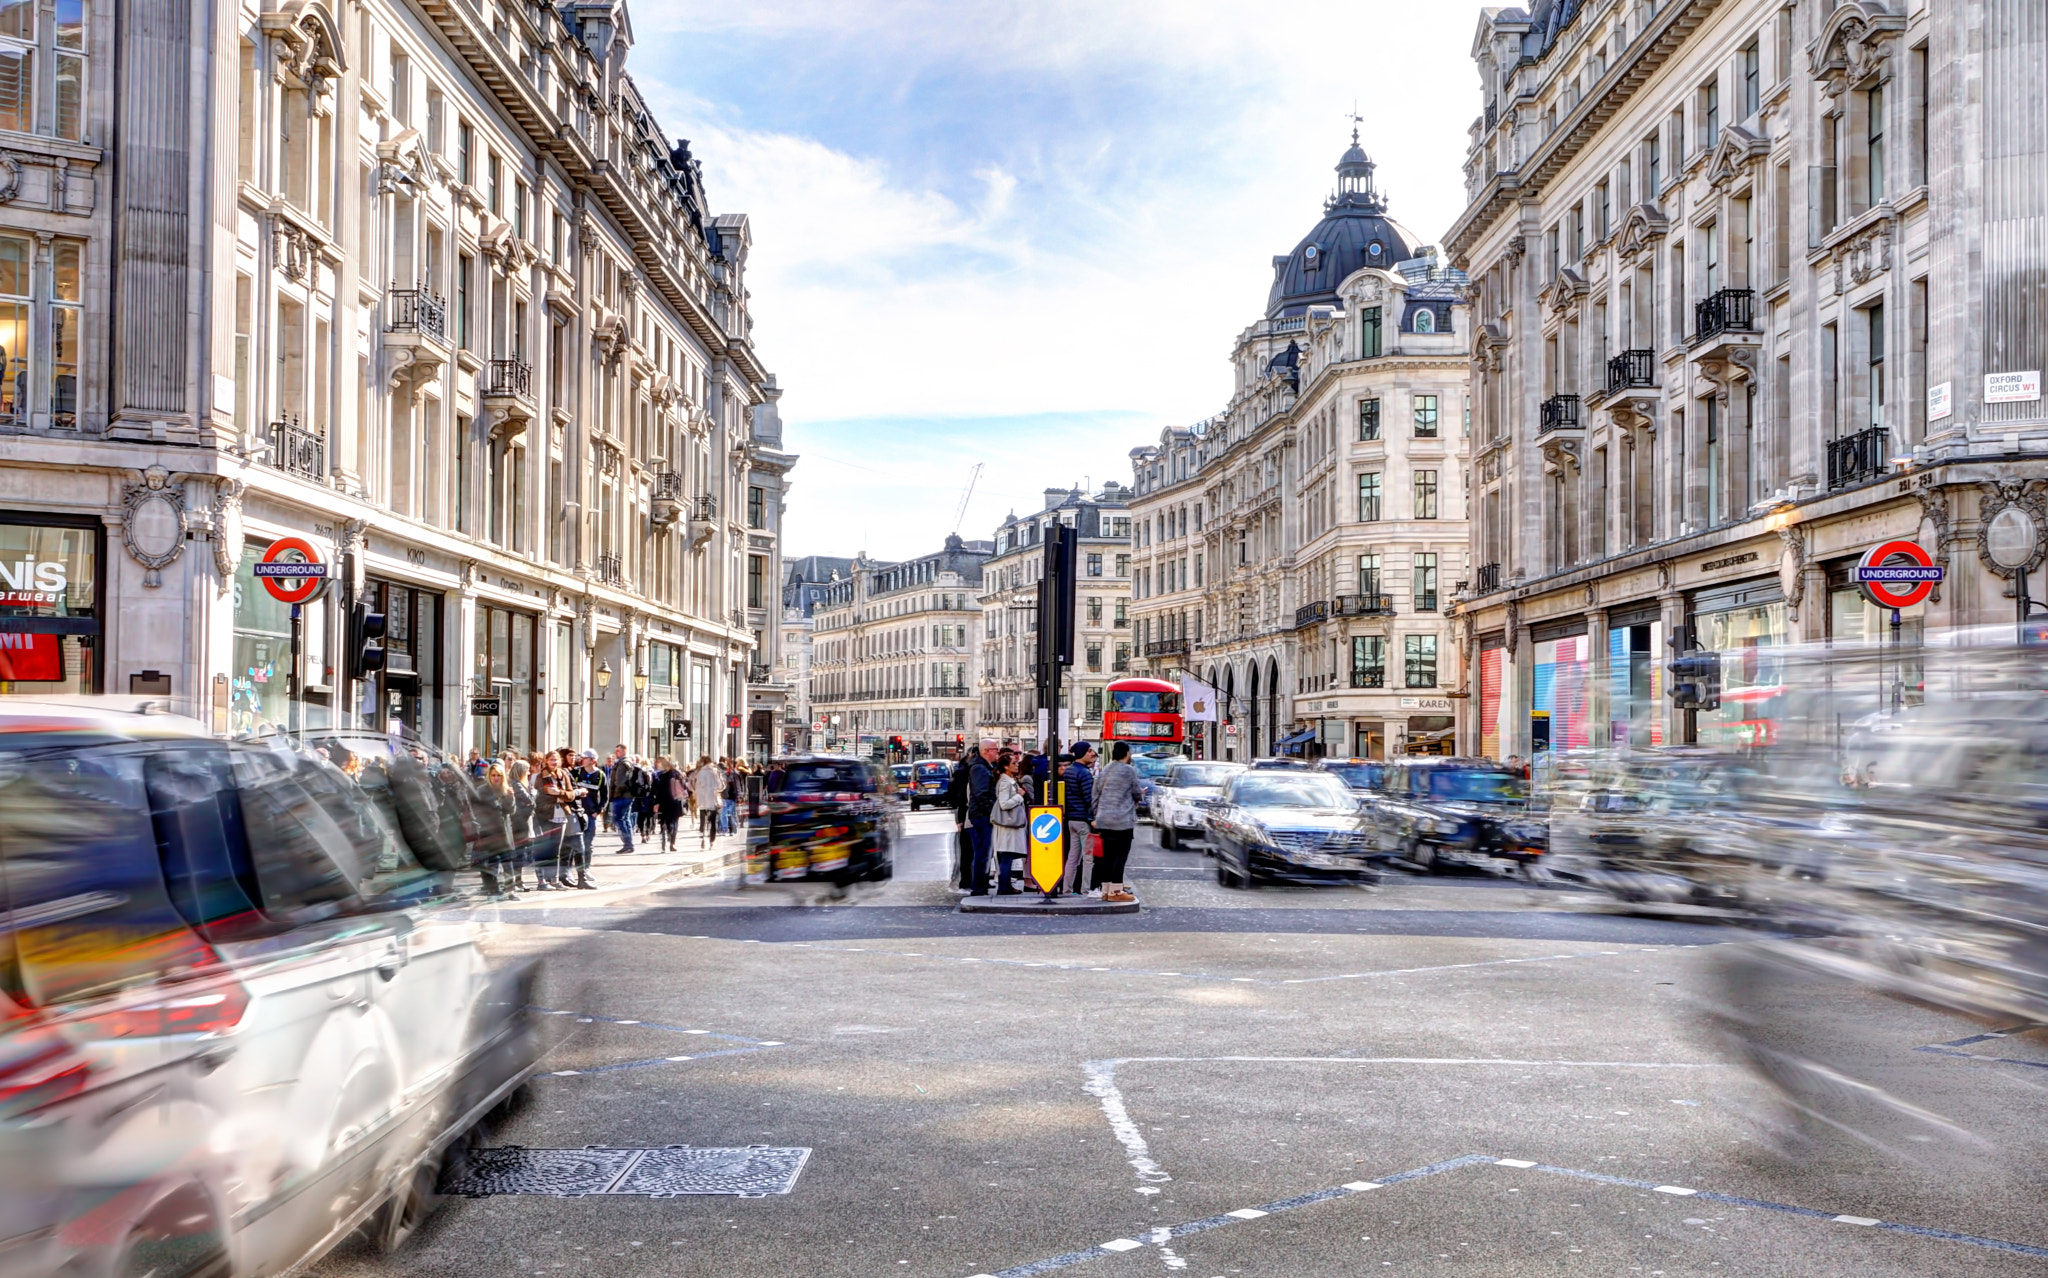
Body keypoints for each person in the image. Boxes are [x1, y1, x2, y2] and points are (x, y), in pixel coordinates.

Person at [1090, 742, 1139, 903]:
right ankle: (1116, 891)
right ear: (1126, 753)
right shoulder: (1129, 770)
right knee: (1120, 856)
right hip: (1122, 820)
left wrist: (1097, 815)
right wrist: (1140, 797)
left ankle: (1106, 890)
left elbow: (1095, 794)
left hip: (1104, 819)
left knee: (1107, 856)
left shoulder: (1105, 769)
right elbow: (1136, 792)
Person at [965, 737, 1001, 895]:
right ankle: (978, 887)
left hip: (981, 814)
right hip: (981, 816)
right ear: (986, 751)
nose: (997, 752)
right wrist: (990, 812)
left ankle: (981, 885)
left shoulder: (984, 766)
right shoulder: (979, 768)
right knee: (983, 852)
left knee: (985, 852)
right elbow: (981, 794)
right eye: (995, 749)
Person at [1061, 740, 1098, 895]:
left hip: (1071, 820)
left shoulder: (1069, 771)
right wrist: (1093, 819)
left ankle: (1066, 888)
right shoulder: (1084, 774)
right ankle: (1085, 889)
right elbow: (1090, 799)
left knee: (1072, 857)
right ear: (1082, 753)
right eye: (1089, 751)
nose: (1092, 753)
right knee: (1088, 858)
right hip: (1084, 821)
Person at [990, 752, 1028, 895]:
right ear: (1006, 767)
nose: (1017, 765)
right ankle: (1004, 886)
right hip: (1008, 825)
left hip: (1009, 825)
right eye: (1014, 763)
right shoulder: (1006, 782)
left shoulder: (1008, 780)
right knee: (1006, 855)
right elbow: (1004, 804)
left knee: (1007, 855)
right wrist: (1019, 796)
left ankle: (1005, 885)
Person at [569, 751, 607, 887]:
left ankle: (586, 869)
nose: (581, 760)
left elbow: (604, 795)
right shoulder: (576, 773)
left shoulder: (600, 775)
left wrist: (598, 811)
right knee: (575, 843)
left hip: (590, 814)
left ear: (592, 760)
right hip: (577, 812)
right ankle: (571, 871)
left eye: (584, 758)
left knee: (588, 843)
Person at [945, 749, 975, 891]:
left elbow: (952, 796)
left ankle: (965, 879)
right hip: (965, 814)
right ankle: (965, 880)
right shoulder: (964, 773)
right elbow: (959, 797)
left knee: (966, 850)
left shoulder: (962, 771)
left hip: (963, 814)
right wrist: (960, 818)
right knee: (967, 850)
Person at [606, 745, 644, 853]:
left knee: (618, 819)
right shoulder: (626, 762)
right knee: (625, 819)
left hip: (622, 796)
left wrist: (615, 793)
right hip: (627, 795)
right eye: (616, 750)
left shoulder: (623, 763)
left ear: (624, 751)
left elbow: (620, 781)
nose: (616, 752)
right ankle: (629, 844)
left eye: (618, 750)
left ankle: (628, 844)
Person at [508, 758, 536, 891]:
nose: (529, 772)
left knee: (521, 854)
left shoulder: (520, 784)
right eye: (527, 769)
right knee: (519, 855)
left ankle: (518, 881)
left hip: (523, 823)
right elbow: (530, 800)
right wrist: (534, 794)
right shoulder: (517, 784)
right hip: (519, 823)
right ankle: (516, 882)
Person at [652, 755, 687, 852]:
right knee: (674, 822)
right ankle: (672, 843)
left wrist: (656, 802)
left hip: (664, 802)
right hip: (675, 800)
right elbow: (684, 786)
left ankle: (667, 839)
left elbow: (656, 790)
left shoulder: (659, 775)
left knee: (665, 822)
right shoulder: (676, 773)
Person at [691, 753, 722, 847]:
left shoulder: (699, 772)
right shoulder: (715, 771)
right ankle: (712, 840)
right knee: (713, 821)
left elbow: (694, 786)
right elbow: (720, 785)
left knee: (702, 820)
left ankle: (703, 836)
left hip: (702, 800)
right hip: (712, 799)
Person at [721, 759, 742, 835]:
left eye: (726, 764)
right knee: (723, 814)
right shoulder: (723, 774)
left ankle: (733, 829)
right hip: (724, 796)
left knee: (732, 814)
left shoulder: (734, 774)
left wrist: (739, 796)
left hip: (732, 796)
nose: (725, 766)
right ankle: (725, 829)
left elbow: (738, 786)